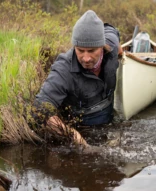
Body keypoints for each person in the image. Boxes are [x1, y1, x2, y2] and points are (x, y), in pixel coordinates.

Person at [34, 10, 121, 148]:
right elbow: (40, 108)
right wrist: (75, 137)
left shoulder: (112, 45)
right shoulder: (63, 69)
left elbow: (112, 30)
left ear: (102, 46)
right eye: (80, 50)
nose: (86, 58)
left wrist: (120, 52)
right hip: (83, 131)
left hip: (110, 123)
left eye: (92, 51)